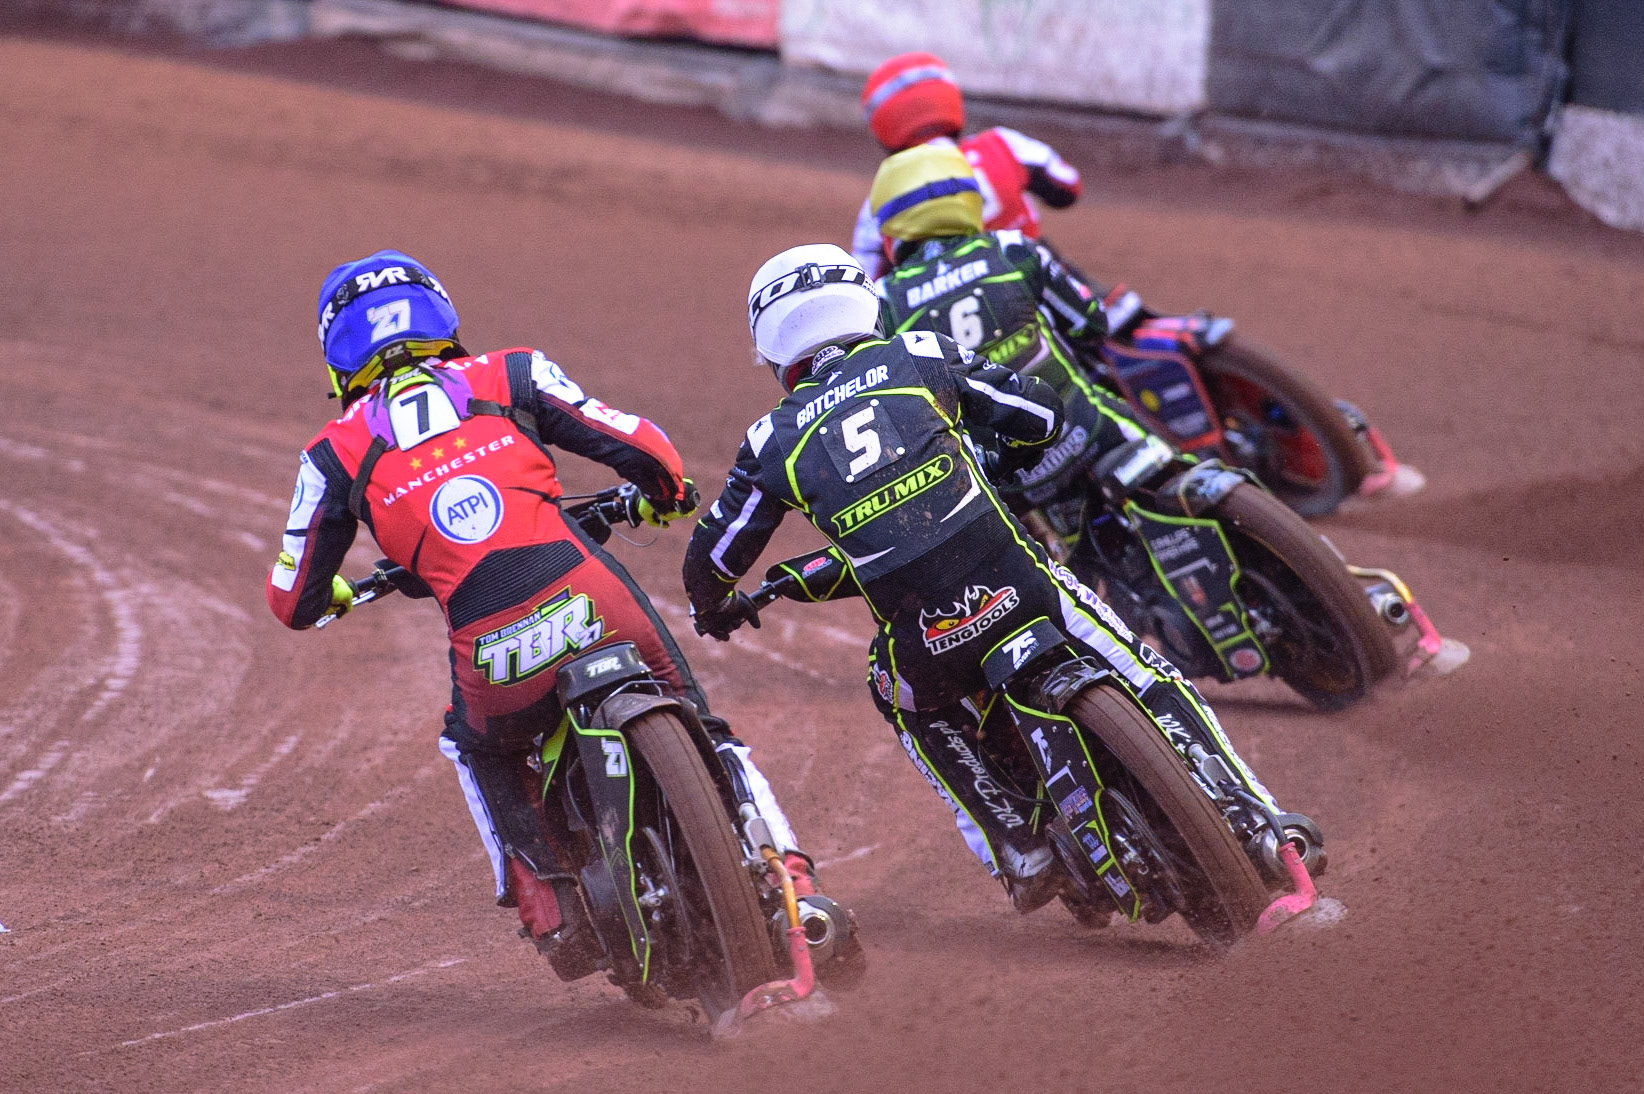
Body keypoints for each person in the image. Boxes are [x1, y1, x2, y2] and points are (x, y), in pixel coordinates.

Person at [682, 243, 1302, 913]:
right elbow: (1039, 413)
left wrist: (715, 606)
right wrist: (1008, 454)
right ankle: (1262, 823)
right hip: (1020, 583)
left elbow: (712, 559)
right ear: (863, 301)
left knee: (895, 691)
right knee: (1151, 678)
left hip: (927, 638)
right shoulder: (918, 354)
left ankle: (1016, 847)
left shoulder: (771, 441)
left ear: (774, 349)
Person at [268, 249, 827, 979]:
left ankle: (549, 904)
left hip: (495, 659)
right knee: (704, 724)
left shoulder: (332, 454)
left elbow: (293, 601)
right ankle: (797, 885)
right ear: (440, 317)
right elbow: (647, 448)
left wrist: (340, 594)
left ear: (338, 355)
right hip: (597, 603)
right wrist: (663, 492)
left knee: (475, 745)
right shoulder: (511, 372)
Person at [871, 141, 1158, 523]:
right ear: (969, 200)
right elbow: (1091, 324)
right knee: (1174, 468)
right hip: (1086, 431)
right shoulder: (1013, 249)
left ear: (890, 228)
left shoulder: (883, 301)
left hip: (1008, 477)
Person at [851, 51, 1084, 279]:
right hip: (1034, 290)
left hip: (945, 309)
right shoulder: (1002, 143)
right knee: (1042, 257)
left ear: (883, 123)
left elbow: (867, 280)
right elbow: (1068, 188)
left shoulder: (883, 195)